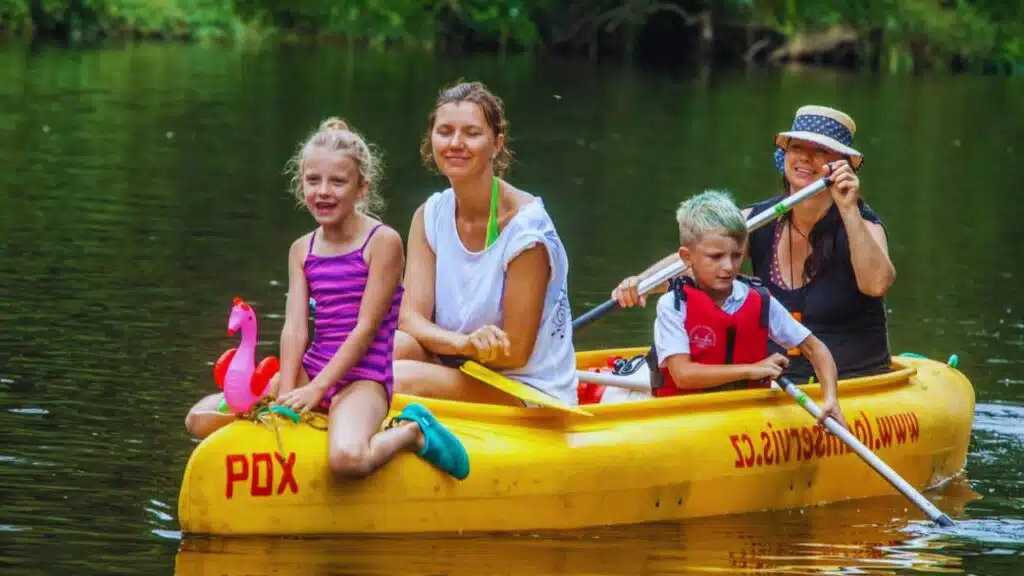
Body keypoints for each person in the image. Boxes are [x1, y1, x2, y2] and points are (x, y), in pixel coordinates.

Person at [184, 118, 469, 481]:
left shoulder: (383, 243)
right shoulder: (301, 249)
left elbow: (366, 329)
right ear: (300, 183)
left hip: (361, 379)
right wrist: (289, 390)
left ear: (361, 189)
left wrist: (318, 389)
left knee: (347, 461)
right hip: (311, 369)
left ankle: (413, 432)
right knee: (199, 419)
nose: (323, 192)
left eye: (338, 182)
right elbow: (295, 329)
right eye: (313, 180)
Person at [613, 105, 895, 383]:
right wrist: (642, 283)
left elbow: (876, 284)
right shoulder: (757, 220)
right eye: (797, 148)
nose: (805, 158)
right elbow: (697, 260)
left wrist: (848, 209)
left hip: (854, 380)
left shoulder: (863, 224)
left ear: (842, 164)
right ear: (784, 155)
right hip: (774, 379)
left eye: (820, 151)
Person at [393, 81, 578, 406]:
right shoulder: (429, 215)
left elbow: (516, 353)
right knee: (395, 346)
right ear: (431, 139)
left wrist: (453, 349)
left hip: (524, 390)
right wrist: (462, 345)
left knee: (395, 376)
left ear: (496, 143)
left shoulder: (526, 232)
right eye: (445, 131)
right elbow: (409, 319)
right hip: (459, 364)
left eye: (472, 133)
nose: (455, 143)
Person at [650, 190, 848, 426]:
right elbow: (683, 375)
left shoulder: (759, 300)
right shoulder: (673, 305)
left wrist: (831, 399)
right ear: (687, 256)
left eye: (736, 256)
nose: (728, 267)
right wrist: (751, 370)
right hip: (690, 414)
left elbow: (815, 349)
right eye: (715, 257)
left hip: (747, 413)